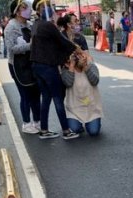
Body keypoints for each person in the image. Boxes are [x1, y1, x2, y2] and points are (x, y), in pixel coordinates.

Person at [30, 0, 81, 140]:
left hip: (37, 66)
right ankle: (66, 131)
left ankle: (44, 130)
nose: (49, 9)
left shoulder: (36, 25)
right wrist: (77, 49)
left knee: (46, 98)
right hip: (48, 67)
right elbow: (62, 42)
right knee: (58, 98)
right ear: (40, 10)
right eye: (46, 7)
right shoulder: (48, 25)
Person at [6, 0, 42, 134]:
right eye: (24, 8)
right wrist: (30, 46)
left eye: (28, 8)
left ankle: (37, 121)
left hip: (31, 63)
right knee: (25, 94)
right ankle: (26, 123)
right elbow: (11, 48)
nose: (28, 10)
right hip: (18, 66)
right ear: (17, 11)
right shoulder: (11, 27)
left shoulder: (30, 24)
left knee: (36, 94)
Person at [61, 51, 102, 136]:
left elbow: (95, 81)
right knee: (74, 129)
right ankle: (79, 125)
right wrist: (72, 66)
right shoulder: (66, 69)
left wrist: (85, 67)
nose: (78, 58)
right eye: (75, 56)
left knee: (93, 132)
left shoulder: (91, 66)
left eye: (80, 55)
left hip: (91, 108)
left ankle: (94, 122)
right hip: (74, 109)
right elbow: (68, 83)